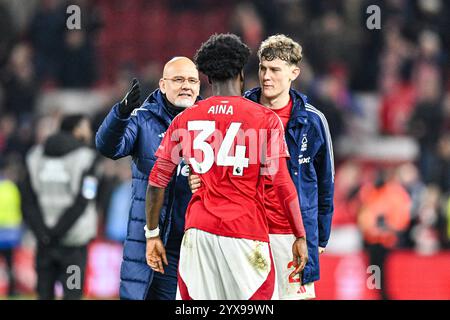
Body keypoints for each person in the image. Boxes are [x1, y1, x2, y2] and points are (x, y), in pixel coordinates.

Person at [145, 33, 308, 300]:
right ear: (241, 73)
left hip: (198, 234)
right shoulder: (265, 119)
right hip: (246, 234)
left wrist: (152, 235)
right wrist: (298, 235)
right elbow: (280, 182)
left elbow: (156, 182)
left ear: (207, 78)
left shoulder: (185, 119)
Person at [189, 34, 335, 299]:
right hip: (245, 232)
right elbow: (207, 155)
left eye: (275, 70)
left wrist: (319, 240)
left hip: (290, 234)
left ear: (294, 73)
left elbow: (326, 185)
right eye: (263, 68)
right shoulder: (236, 111)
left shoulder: (314, 122)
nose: (267, 76)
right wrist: (195, 175)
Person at [95, 57, 200, 300]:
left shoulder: (210, 122)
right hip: (148, 238)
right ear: (163, 85)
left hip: (193, 240)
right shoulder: (142, 119)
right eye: (179, 80)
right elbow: (108, 147)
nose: (187, 86)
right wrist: (120, 114)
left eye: (192, 80)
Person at [21, 114, 98, 300]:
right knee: (72, 293)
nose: (90, 132)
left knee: (44, 293)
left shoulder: (34, 156)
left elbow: (27, 200)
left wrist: (45, 233)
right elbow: (84, 200)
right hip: (74, 244)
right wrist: (59, 231)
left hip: (44, 242)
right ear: (76, 129)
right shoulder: (86, 158)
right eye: (86, 127)